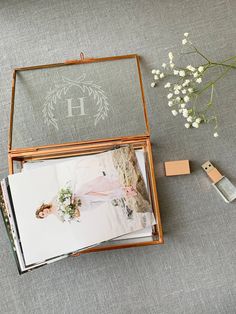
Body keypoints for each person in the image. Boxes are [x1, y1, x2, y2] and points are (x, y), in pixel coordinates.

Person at [35, 175, 137, 221]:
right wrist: (73, 208)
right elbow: (77, 215)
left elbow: (68, 193)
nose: (45, 213)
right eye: (44, 215)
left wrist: (70, 201)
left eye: (42, 212)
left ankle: (126, 190)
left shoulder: (54, 199)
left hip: (83, 196)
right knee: (106, 200)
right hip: (86, 207)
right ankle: (125, 191)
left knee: (105, 197)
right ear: (45, 217)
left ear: (43, 208)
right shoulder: (60, 217)